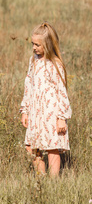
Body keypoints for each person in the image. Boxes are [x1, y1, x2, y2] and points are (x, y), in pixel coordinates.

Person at [20, 22, 71, 178]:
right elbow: (28, 84)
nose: (34, 48)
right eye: (33, 44)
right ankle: (41, 179)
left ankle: (53, 182)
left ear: (48, 45)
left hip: (51, 112)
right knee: (32, 146)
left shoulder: (55, 64)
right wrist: (25, 110)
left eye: (38, 45)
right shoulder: (33, 61)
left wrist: (61, 117)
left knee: (52, 147)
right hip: (36, 111)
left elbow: (61, 91)